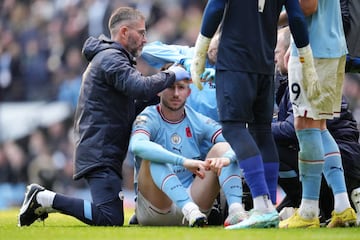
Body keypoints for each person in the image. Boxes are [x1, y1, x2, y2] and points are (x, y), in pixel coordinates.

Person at [18, 6, 190, 227]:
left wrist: (164, 94)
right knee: (109, 219)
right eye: (142, 32)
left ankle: (44, 199)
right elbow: (139, 87)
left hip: (102, 148)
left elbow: (134, 101)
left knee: (111, 215)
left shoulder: (113, 59)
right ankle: (43, 197)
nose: (145, 39)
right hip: (100, 150)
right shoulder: (111, 58)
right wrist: (171, 74)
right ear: (125, 32)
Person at [190, 0, 318, 229]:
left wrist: (199, 52)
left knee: (234, 127)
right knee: (262, 131)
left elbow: (216, 7)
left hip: (235, 62)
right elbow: (296, 17)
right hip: (265, 65)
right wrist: (306, 58)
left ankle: (260, 204)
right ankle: (268, 206)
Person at [129, 66, 247, 227]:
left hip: (197, 208)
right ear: (158, 90)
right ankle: (188, 208)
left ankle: (236, 211)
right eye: (170, 87)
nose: (176, 93)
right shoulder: (148, 116)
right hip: (156, 209)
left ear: (189, 92)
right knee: (152, 156)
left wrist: (227, 158)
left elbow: (238, 141)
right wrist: (183, 161)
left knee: (223, 148)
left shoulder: (198, 120)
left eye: (181, 87)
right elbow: (137, 146)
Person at [278, 0, 357, 228]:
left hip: (312, 52)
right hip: (331, 47)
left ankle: (308, 211)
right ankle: (342, 206)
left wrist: (271, 20)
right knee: (319, 126)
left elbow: (307, 6)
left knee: (305, 126)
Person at [140, 32, 220, 121]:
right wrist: (184, 60)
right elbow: (146, 51)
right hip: (181, 126)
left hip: (217, 129)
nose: (216, 51)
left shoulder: (233, 69)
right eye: (217, 42)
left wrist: (222, 78)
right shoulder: (190, 53)